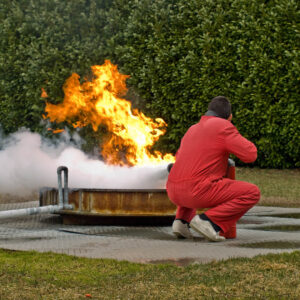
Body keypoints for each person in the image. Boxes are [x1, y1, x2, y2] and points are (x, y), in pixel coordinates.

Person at [166, 96, 260, 241]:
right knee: (252, 192)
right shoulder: (223, 127)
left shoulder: (192, 128)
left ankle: (181, 222)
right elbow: (250, 155)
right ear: (229, 117)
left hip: (173, 191)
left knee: (193, 172)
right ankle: (209, 221)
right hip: (196, 192)